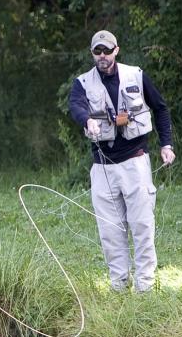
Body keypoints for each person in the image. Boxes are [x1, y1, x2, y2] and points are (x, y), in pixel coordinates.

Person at [68, 30, 175, 292]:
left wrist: (166, 144)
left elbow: (160, 108)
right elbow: (76, 106)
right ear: (92, 53)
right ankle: (118, 285)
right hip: (102, 168)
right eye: (97, 52)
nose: (102, 56)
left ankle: (146, 287)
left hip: (135, 163)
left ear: (116, 50)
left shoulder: (136, 75)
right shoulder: (82, 83)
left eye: (107, 50)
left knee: (141, 224)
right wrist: (87, 120)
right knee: (110, 232)